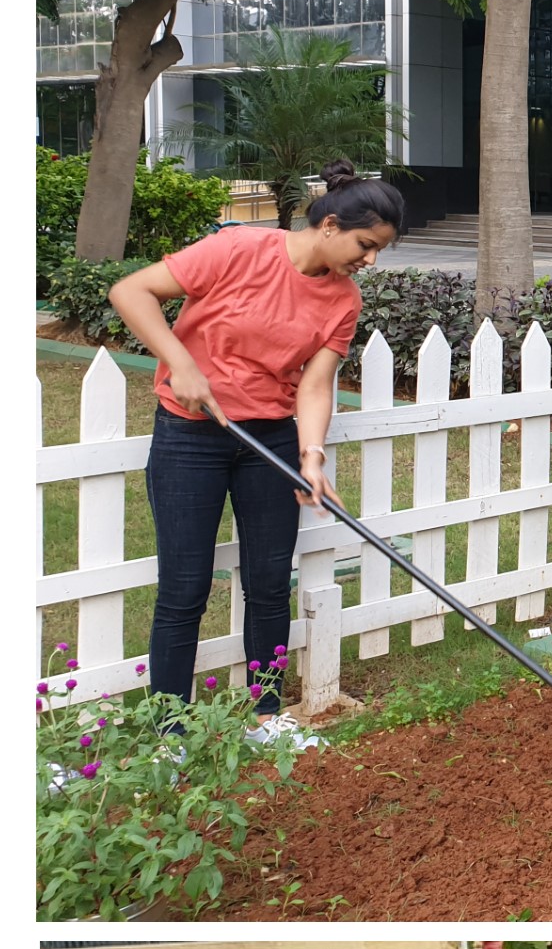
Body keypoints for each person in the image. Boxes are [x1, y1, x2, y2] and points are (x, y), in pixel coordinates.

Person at [108, 161, 404, 742]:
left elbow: (316, 385)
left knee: (269, 582)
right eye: (366, 245)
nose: (370, 261)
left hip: (268, 438)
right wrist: (184, 365)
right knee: (184, 587)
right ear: (329, 225)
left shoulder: (343, 300)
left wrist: (311, 454)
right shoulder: (240, 248)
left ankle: (266, 717)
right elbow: (131, 291)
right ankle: (169, 732)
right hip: (190, 433)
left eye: (378, 252)